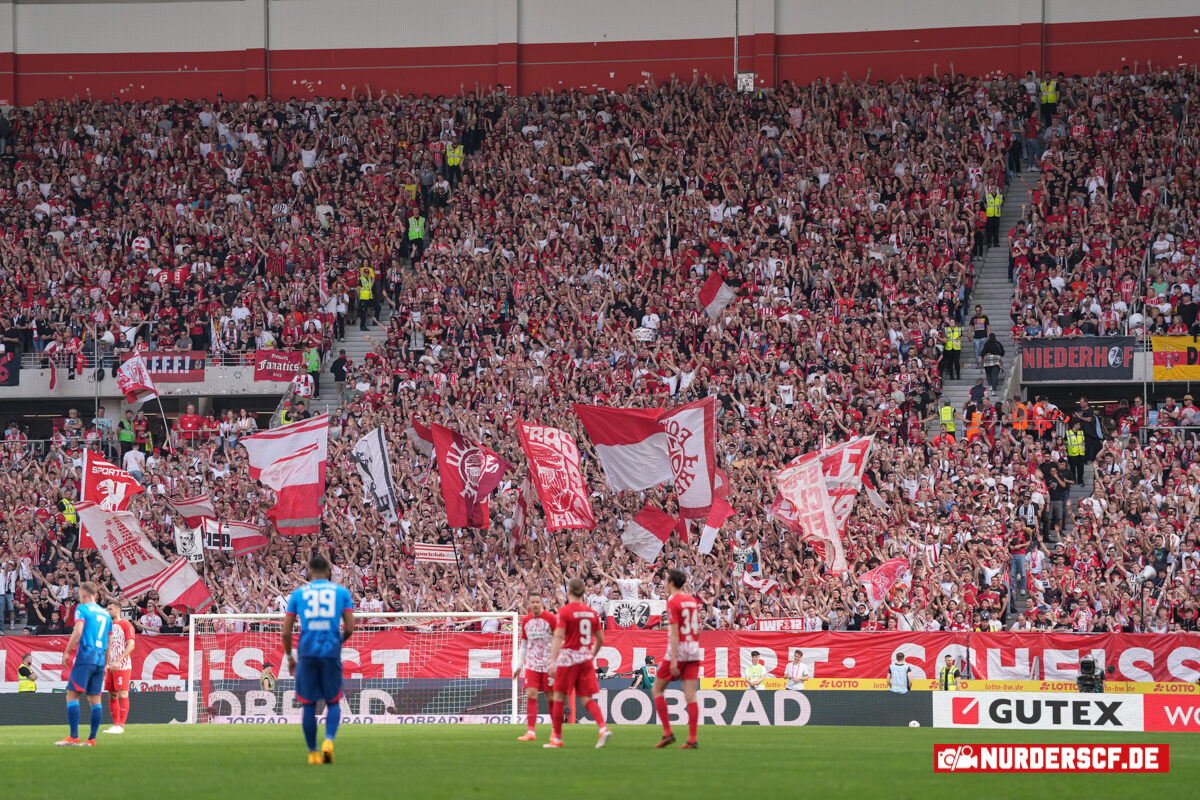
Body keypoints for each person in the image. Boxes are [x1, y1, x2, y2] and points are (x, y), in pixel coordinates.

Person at [282, 554, 355, 765]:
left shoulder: (298, 594)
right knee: (333, 702)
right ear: (329, 572)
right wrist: (337, 642)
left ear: (309, 572)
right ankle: (329, 743)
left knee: (308, 704)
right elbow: (350, 627)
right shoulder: (341, 592)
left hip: (306, 653)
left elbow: (286, 632)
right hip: (330, 651)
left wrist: (289, 657)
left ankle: (313, 753)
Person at [544, 577, 611, 749]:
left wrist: (553, 661)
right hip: (585, 659)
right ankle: (603, 728)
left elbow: (558, 636)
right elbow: (601, 639)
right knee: (587, 698)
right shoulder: (591, 613)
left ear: (568, 592)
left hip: (568, 659)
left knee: (558, 696)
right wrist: (590, 655)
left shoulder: (565, 611)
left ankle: (557, 739)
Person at [650, 569, 702, 749]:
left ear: (671, 583)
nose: (664, 583)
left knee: (657, 690)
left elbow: (673, 632)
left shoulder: (673, 601)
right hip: (693, 649)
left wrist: (673, 659)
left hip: (679, 650)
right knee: (691, 697)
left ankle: (667, 733)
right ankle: (692, 739)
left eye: (666, 580)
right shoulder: (691, 600)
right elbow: (697, 628)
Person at [56, 581, 112, 746]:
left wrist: (66, 652)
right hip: (100, 660)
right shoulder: (106, 614)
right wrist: (106, 665)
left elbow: (78, 630)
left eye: (79, 595)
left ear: (85, 595)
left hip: (86, 657)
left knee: (72, 695)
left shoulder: (82, 609)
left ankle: (74, 736)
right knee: (95, 700)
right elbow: (109, 643)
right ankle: (92, 739)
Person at [513, 592, 557, 741]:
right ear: (529, 604)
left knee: (550, 697)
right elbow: (524, 645)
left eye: (538, 602)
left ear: (542, 603)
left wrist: (555, 662)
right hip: (532, 665)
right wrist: (519, 665)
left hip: (548, 665)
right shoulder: (526, 620)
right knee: (531, 695)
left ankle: (555, 731)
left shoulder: (551, 619)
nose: (535, 604)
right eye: (532, 602)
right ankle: (531, 732)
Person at [102, 602, 136, 734]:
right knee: (112, 694)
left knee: (123, 693)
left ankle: (121, 726)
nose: (108, 611)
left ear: (118, 609)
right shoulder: (107, 627)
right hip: (110, 666)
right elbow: (107, 648)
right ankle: (115, 724)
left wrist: (118, 661)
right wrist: (105, 665)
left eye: (110, 609)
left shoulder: (126, 625)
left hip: (122, 665)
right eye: (107, 609)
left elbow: (131, 645)